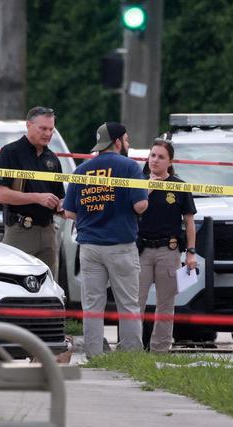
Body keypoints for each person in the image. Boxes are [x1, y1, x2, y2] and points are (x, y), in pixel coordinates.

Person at [61, 122, 148, 357]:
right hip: (121, 246)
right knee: (128, 304)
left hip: (89, 247)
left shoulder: (81, 170)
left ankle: (94, 353)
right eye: (127, 140)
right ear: (117, 142)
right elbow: (140, 206)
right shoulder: (130, 167)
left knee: (92, 305)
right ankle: (131, 354)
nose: (127, 144)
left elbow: (69, 213)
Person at [137, 139, 198, 353]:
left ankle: (159, 350)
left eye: (161, 156)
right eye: (152, 155)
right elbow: (130, 213)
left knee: (165, 305)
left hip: (168, 250)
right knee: (135, 303)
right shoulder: (139, 182)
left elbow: (189, 222)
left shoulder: (179, 186)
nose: (155, 160)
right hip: (141, 251)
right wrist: (146, 192)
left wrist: (191, 253)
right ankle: (131, 349)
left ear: (170, 161)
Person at [0, 106, 66, 276]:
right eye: (43, 128)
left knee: (48, 286)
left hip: (48, 231)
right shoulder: (10, 152)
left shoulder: (53, 160)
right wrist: (37, 198)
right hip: (20, 230)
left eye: (51, 129)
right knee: (14, 284)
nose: (48, 133)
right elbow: (1, 194)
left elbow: (59, 198)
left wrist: (64, 207)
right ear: (29, 125)